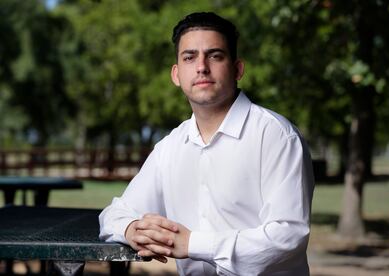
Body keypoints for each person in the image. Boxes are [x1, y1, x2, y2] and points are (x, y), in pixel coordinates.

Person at [99, 12, 314, 276]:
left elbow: (287, 236)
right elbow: (114, 214)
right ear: (176, 74)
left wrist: (192, 244)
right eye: (189, 57)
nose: (201, 66)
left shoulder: (276, 136)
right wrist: (133, 229)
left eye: (215, 55)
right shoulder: (170, 147)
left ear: (237, 69)